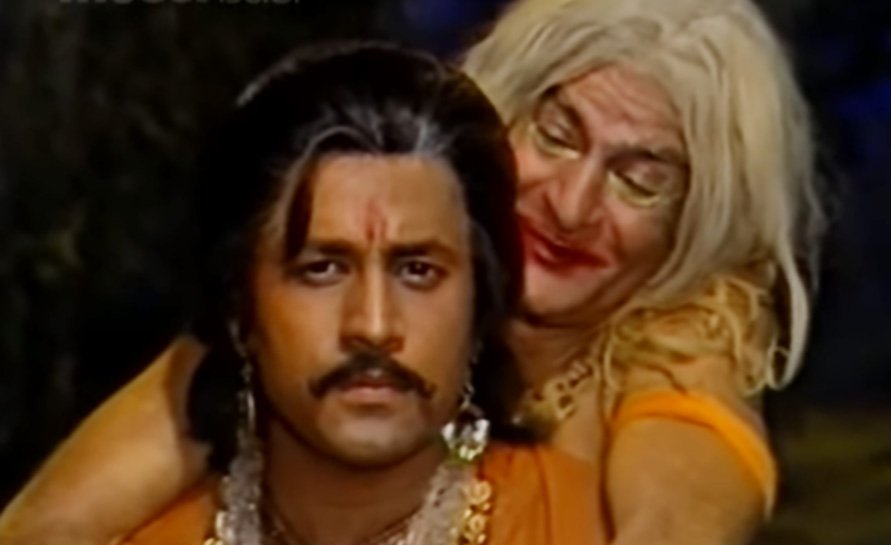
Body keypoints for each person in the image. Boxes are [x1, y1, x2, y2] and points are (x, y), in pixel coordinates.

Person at [0, 0, 825, 543]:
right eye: (557, 134)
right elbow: (49, 523)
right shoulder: (314, 276)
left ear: (698, 222)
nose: (573, 205)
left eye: (640, 179)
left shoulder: (686, 342)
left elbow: (694, 492)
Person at [5, 42, 606, 545]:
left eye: (418, 271)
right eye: (322, 269)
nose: (373, 325)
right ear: (238, 308)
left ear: (481, 303)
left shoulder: (582, 527)